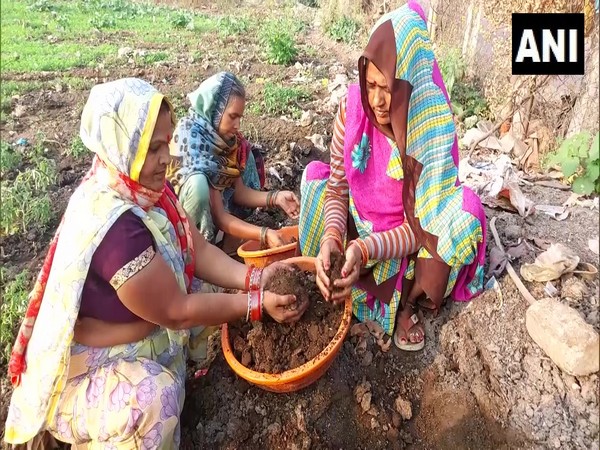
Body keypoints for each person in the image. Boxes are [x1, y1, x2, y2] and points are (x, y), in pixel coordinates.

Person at [4, 78, 306, 449]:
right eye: (153, 148)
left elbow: (197, 248)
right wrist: (256, 305)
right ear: (122, 148)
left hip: (136, 326)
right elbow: (177, 311)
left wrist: (257, 278)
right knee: (154, 402)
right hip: (88, 369)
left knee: (206, 288)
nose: (168, 157)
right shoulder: (114, 226)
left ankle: (178, 377)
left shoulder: (144, 190)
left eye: (166, 142)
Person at [298, 1, 487, 351]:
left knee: (465, 218)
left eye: (389, 88)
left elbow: (421, 228)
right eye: (370, 85)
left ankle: (404, 302)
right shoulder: (352, 109)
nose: (378, 101)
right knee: (315, 181)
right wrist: (333, 241)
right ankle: (333, 276)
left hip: (402, 245)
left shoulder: (429, 129)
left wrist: (365, 248)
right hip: (359, 226)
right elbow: (338, 189)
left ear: (411, 80)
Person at [169, 71, 300, 250]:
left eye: (240, 117)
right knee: (198, 186)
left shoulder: (225, 140)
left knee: (248, 156)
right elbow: (219, 216)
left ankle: (225, 245)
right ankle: (196, 251)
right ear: (214, 109)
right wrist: (265, 233)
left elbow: (239, 192)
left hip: (217, 213)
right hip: (180, 223)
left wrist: (277, 198)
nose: (238, 125)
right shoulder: (192, 140)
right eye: (232, 116)